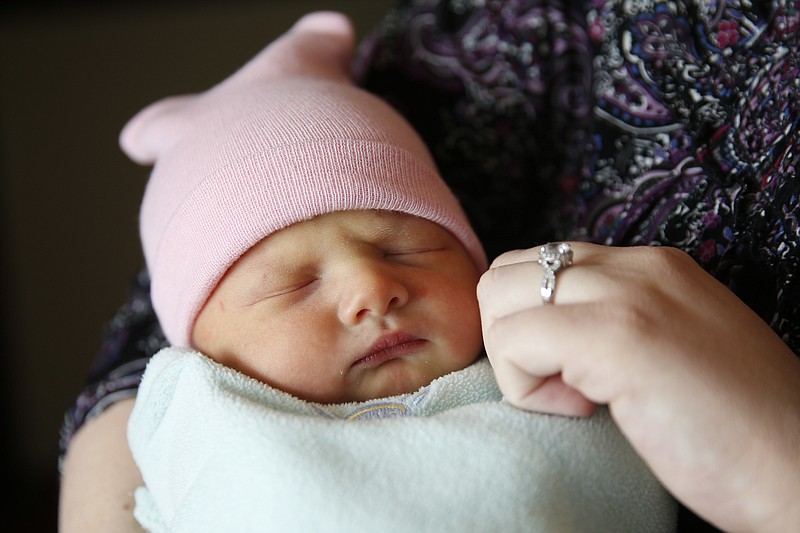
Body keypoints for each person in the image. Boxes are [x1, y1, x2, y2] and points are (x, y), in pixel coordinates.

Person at [59, 1, 800, 532]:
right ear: (195, 342)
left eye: (408, 247)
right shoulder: (193, 417)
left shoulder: (551, 384)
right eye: (291, 283)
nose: (372, 287)